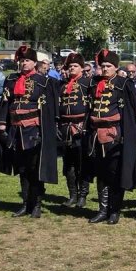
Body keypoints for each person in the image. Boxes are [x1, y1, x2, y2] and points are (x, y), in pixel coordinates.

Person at [0, 46, 59, 219]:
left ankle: (37, 204)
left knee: (34, 169)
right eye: (22, 60)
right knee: (22, 169)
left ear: (34, 63)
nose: (24, 63)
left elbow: (49, 109)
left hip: (34, 130)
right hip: (16, 130)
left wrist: (44, 131)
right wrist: (2, 125)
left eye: (28, 60)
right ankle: (25, 203)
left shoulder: (43, 81)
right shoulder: (11, 79)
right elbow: (5, 103)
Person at [86, 49, 136, 224]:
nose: (104, 69)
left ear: (116, 67)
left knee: (115, 174)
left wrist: (125, 136)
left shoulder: (124, 83)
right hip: (96, 135)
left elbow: (132, 112)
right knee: (101, 174)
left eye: (108, 66)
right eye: (102, 66)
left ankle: (114, 210)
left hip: (114, 135)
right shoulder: (94, 83)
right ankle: (103, 209)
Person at [58, 53, 94, 208]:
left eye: (75, 66)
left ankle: (82, 196)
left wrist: (86, 126)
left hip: (81, 127)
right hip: (66, 128)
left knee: (82, 164)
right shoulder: (62, 85)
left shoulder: (87, 84)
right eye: (70, 66)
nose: (72, 68)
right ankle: (72, 195)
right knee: (69, 165)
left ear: (81, 68)